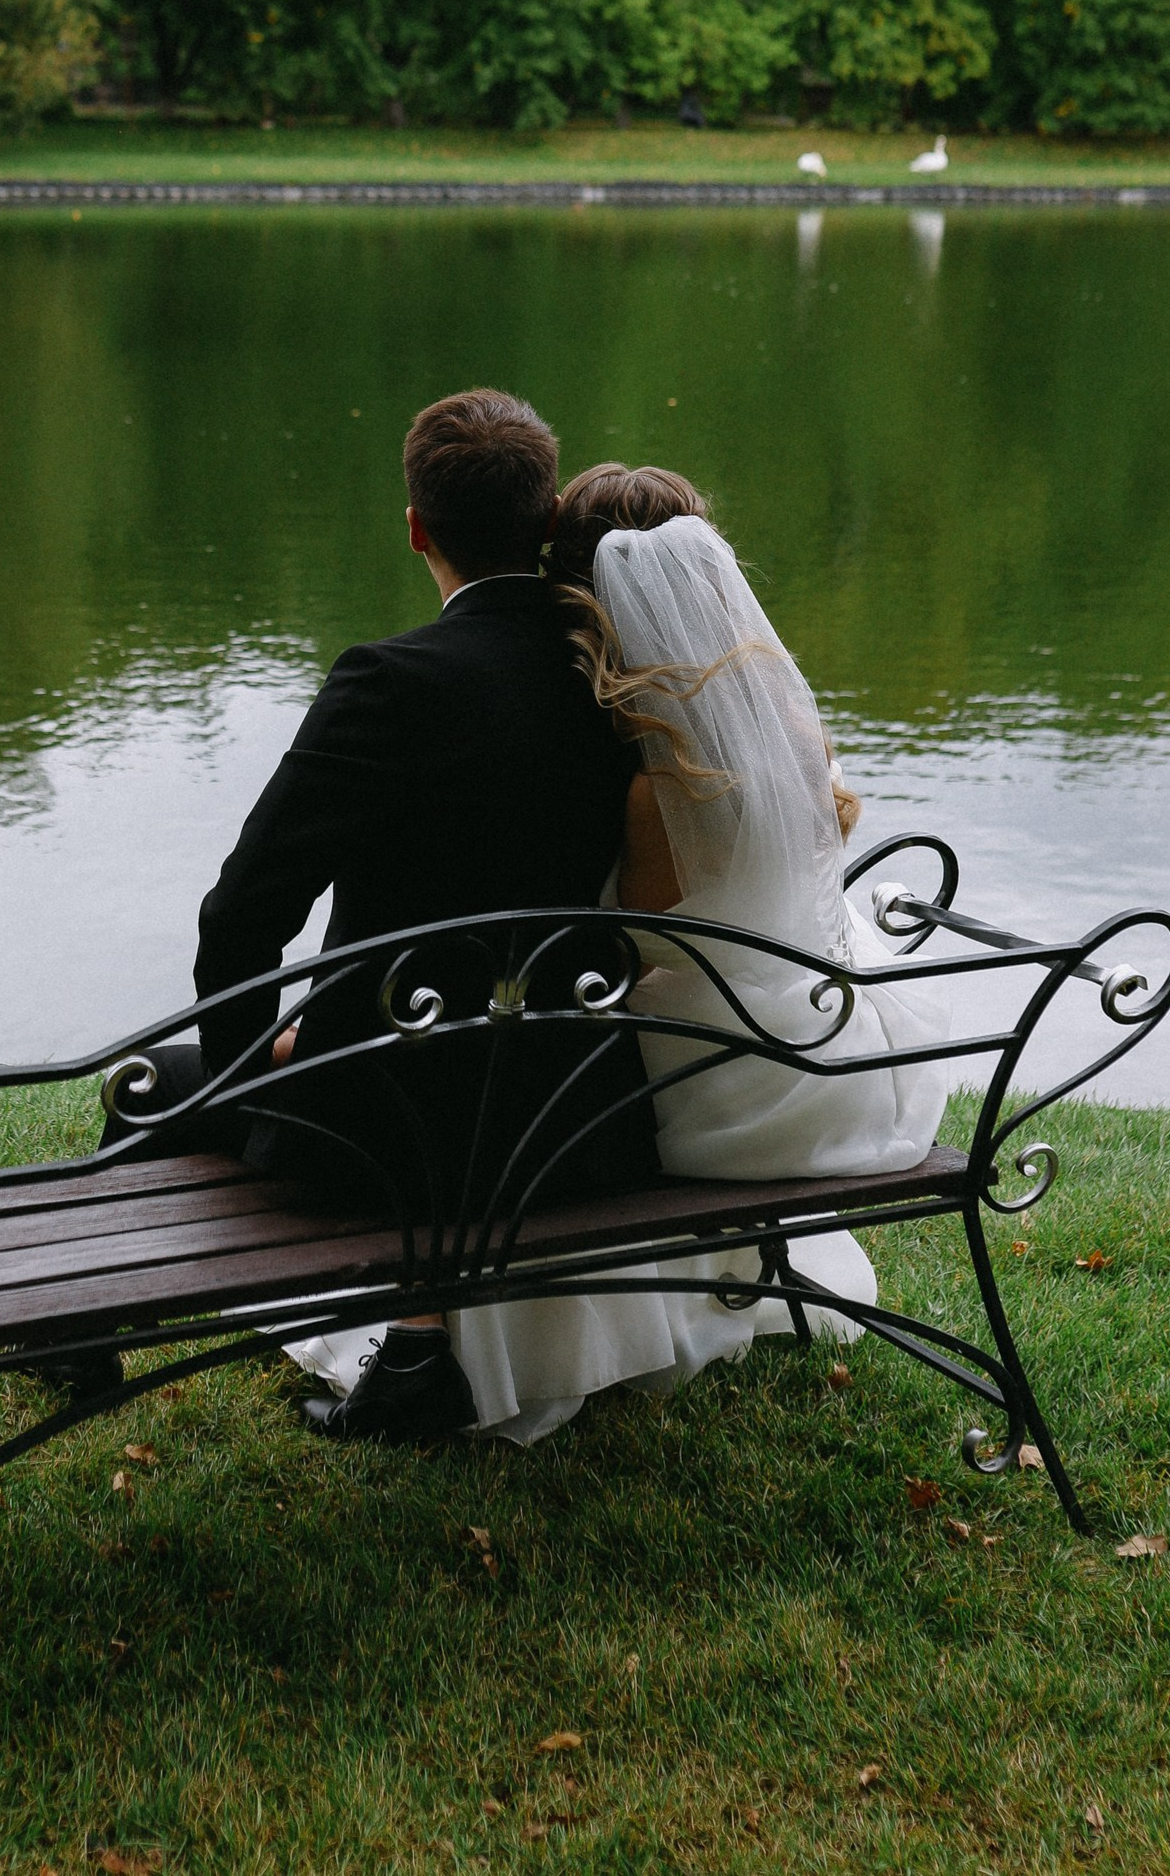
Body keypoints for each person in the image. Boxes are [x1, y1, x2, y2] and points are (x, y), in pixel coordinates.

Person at [355, 463, 949, 1444]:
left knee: (539, 1086)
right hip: (841, 1061)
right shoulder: (785, 724)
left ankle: (469, 1346)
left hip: (734, 1095)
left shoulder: (648, 782)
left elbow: (620, 960)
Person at [116, 388, 656, 1445]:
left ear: (415, 529)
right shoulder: (619, 676)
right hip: (580, 1115)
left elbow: (241, 915)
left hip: (397, 1131)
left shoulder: (388, 684)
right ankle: (411, 1357)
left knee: (147, 1089)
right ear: (546, 522)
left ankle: (73, 1341)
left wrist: (249, 1077)